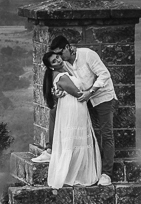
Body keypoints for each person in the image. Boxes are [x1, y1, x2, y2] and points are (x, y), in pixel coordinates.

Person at [34, 35, 116, 186]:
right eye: (56, 56)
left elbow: (104, 74)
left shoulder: (87, 55)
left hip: (101, 96)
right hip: (84, 99)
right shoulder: (64, 63)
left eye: (60, 53)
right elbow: (64, 81)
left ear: (67, 47)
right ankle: (51, 150)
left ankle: (107, 174)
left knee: (106, 133)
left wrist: (90, 92)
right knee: (58, 114)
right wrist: (57, 91)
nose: (59, 58)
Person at [42, 51, 101, 189]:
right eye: (54, 61)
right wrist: (93, 89)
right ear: (51, 66)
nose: (58, 60)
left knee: (76, 140)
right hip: (73, 108)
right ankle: (74, 175)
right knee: (74, 140)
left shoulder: (65, 71)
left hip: (75, 107)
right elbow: (77, 92)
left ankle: (78, 173)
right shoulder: (61, 76)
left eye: (57, 57)